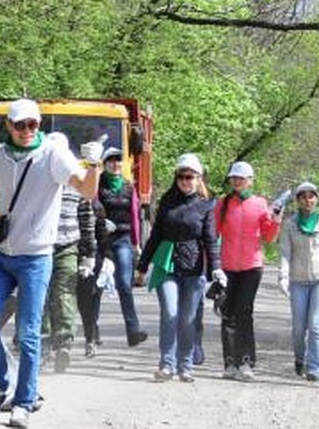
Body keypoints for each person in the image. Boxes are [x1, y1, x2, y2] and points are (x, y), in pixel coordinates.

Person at [0, 98, 104, 429]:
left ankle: (24, 402)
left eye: (32, 125)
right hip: (3, 254)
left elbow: (87, 192)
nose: (26, 131)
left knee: (28, 332)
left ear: (39, 126)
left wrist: (93, 164)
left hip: (37, 257)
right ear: (9, 126)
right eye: (20, 125)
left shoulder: (53, 154)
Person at [136, 153, 221, 383]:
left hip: (193, 268)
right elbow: (155, 236)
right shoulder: (166, 201)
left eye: (190, 177)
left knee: (187, 319)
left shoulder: (205, 206)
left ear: (198, 178)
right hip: (167, 265)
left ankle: (185, 366)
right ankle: (166, 365)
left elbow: (211, 240)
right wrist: (142, 266)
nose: (185, 181)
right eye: (181, 176)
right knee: (170, 314)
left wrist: (216, 269)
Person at [214, 160, 281, 381]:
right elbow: (212, 234)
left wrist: (276, 220)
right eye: (234, 178)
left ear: (250, 181)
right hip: (227, 267)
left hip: (252, 267)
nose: (237, 181)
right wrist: (212, 267)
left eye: (242, 178)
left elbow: (269, 236)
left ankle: (245, 362)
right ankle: (229, 364)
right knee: (227, 314)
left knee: (244, 312)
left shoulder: (260, 204)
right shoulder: (222, 204)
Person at [278, 181, 319, 381]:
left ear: (316, 198)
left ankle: (314, 368)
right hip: (298, 281)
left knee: (315, 326)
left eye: (311, 196)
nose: (308, 200)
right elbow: (285, 253)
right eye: (303, 197)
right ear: (298, 200)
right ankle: (300, 358)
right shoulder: (290, 224)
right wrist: (283, 277)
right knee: (299, 328)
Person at [41, 185, 97, 372]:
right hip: (38, 249)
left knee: (64, 294)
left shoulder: (79, 184)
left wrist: (89, 254)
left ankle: (64, 345)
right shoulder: (37, 179)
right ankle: (43, 343)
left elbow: (87, 220)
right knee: (40, 296)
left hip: (67, 248)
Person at [97, 146, 148, 348]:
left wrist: (136, 243)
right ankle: (92, 331)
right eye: (111, 160)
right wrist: (100, 224)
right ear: (104, 163)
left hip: (123, 239)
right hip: (102, 240)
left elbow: (135, 216)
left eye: (118, 160)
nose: (115, 163)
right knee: (96, 286)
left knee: (124, 285)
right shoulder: (98, 184)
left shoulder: (128, 186)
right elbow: (91, 208)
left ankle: (133, 331)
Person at [75, 194, 112, 358]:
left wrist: (108, 260)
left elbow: (103, 238)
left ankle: (90, 338)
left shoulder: (95, 206)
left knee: (87, 302)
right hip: (66, 255)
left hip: (90, 259)